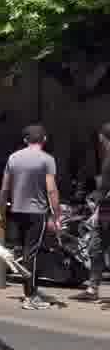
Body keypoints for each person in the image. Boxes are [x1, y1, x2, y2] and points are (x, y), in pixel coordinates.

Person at [0, 125, 60, 310]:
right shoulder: (47, 160)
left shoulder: (13, 158)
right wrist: (57, 214)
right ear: (45, 140)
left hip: (17, 212)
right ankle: (30, 296)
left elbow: (4, 189)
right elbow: (51, 189)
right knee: (31, 253)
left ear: (25, 140)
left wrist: (1, 213)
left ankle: (32, 289)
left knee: (27, 252)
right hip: (37, 212)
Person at [76, 123, 110, 301]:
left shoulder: (108, 159)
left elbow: (104, 189)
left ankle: (93, 289)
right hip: (105, 210)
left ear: (102, 137)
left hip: (107, 211)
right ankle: (92, 288)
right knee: (96, 246)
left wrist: (96, 203)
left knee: (95, 246)